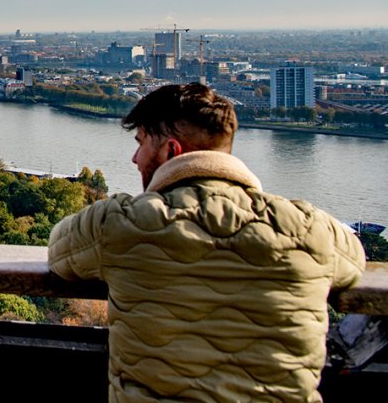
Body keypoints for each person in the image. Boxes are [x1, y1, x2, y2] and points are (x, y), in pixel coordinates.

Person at [48, 83, 366, 402]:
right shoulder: (309, 228)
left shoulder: (118, 224)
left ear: (171, 152)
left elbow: (59, 252)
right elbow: (355, 263)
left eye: (140, 143)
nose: (134, 158)